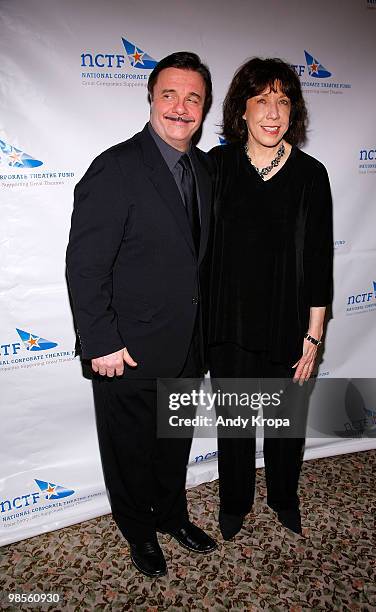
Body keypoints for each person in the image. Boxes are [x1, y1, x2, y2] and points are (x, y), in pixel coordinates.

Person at [66, 51, 217, 577]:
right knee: (129, 451)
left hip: (186, 345)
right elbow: (85, 266)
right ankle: (138, 532)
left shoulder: (202, 168)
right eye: (170, 94)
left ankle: (171, 515)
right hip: (125, 349)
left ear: (205, 107)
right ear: (150, 98)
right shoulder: (116, 167)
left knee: (173, 444)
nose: (181, 107)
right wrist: (100, 341)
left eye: (193, 97)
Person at [208, 58, 333, 540]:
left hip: (287, 321)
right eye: (261, 100)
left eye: (282, 101)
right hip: (229, 323)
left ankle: (284, 498)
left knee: (286, 424)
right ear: (242, 109)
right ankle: (234, 503)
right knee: (235, 422)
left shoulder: (310, 174)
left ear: (293, 111)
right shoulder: (216, 166)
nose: (272, 112)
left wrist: (313, 334)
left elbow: (320, 258)